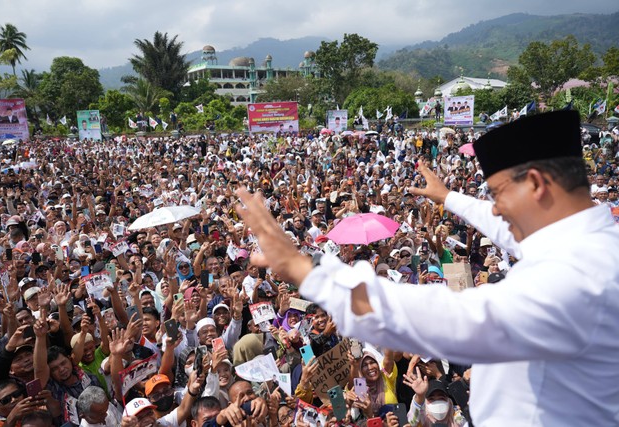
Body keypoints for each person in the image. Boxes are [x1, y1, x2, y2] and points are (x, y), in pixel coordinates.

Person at [235, 110, 619, 426]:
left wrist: (309, 271)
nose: (496, 207)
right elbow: (505, 225)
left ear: (536, 185)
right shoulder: (586, 242)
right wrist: (450, 197)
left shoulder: (579, 275)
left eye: (499, 193)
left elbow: (449, 318)